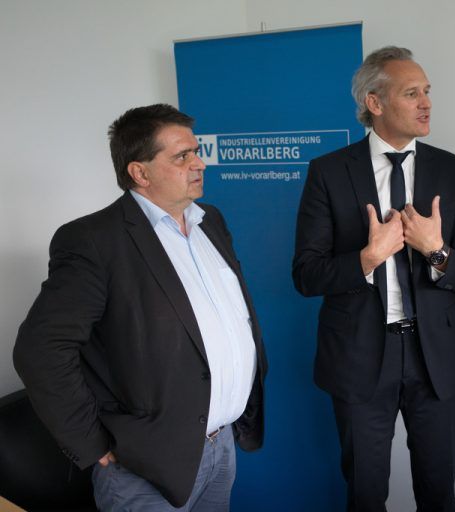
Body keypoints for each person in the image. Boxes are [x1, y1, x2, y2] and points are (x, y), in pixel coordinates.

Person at [13, 104, 267, 511]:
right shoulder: (95, 240)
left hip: (220, 445)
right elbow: (40, 349)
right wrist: (92, 445)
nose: (199, 163)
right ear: (140, 172)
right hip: (145, 464)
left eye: (196, 151)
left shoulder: (211, 221)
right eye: (182, 156)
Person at [293, 46, 455, 511]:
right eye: (412, 93)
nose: (427, 103)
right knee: (364, 495)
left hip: (434, 359)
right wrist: (367, 258)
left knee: (439, 496)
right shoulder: (328, 172)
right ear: (375, 102)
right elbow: (306, 275)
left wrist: (436, 250)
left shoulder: (452, 169)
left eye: (427, 92)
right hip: (358, 358)